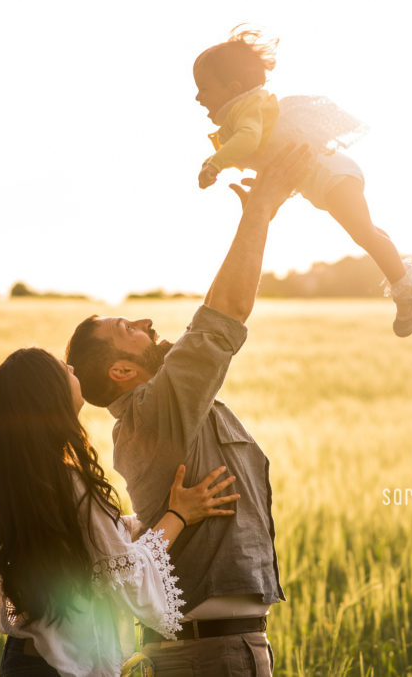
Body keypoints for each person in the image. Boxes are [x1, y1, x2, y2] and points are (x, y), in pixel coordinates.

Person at [65, 145, 313, 675]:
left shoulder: (166, 408)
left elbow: (206, 332)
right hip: (214, 655)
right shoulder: (156, 412)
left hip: (212, 648)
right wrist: (257, 213)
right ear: (121, 372)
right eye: (125, 330)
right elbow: (223, 316)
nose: (146, 323)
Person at [0, 346, 242, 677]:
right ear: (49, 397)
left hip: (21, 661)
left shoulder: (26, 485)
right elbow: (128, 574)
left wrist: (153, 516)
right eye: (64, 369)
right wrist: (178, 516)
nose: (72, 367)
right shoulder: (67, 482)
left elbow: (96, 542)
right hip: (56, 668)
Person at [194, 27, 412, 337]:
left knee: (363, 232)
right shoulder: (250, 110)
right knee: (366, 230)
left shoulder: (247, 112)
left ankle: (408, 287)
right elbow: (279, 157)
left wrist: (215, 162)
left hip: (331, 174)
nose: (198, 97)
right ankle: (406, 275)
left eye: (205, 88)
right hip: (328, 177)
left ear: (234, 87)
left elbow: (249, 139)